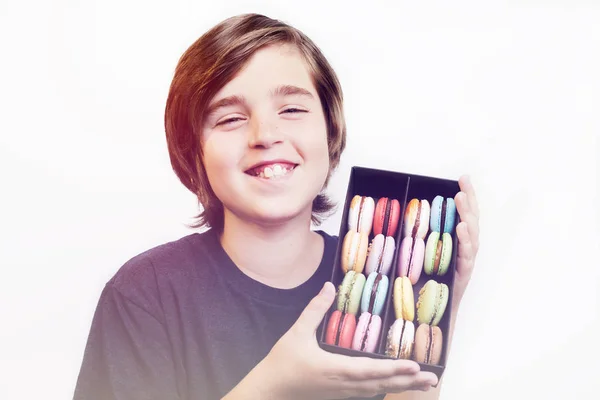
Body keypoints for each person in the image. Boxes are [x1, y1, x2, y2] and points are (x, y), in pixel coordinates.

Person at [73, 13, 480, 400]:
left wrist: (444, 306)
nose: (265, 135)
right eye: (230, 118)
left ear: (330, 131)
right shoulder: (146, 295)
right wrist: (273, 386)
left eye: (292, 110)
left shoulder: (381, 275)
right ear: (193, 152)